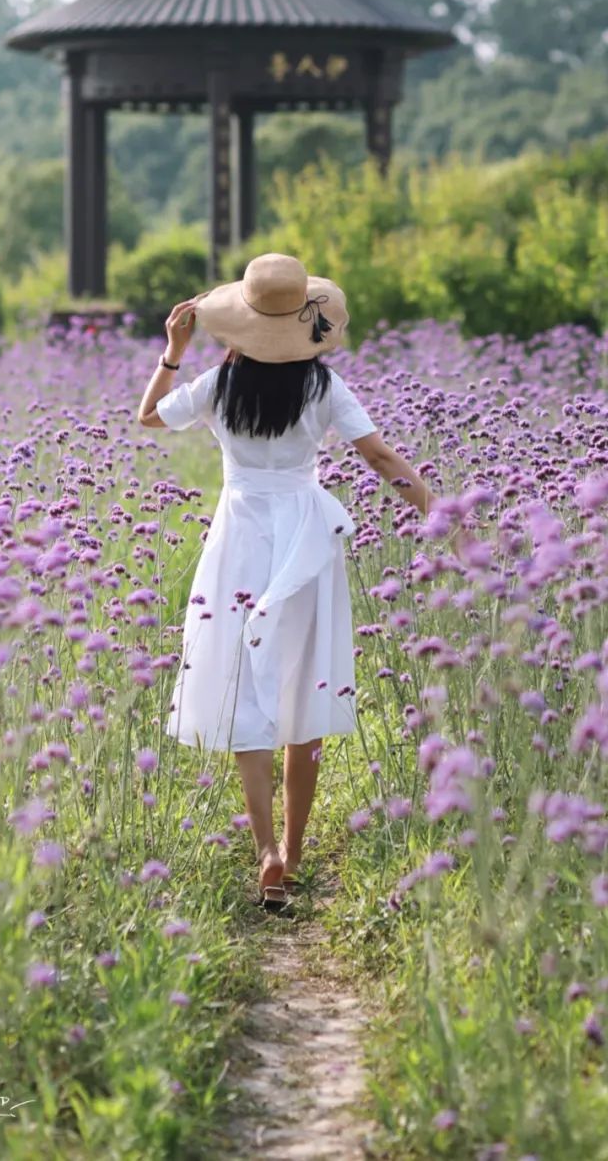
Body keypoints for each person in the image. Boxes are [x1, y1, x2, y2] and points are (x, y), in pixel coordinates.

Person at [137, 252, 437, 912]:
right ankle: (294, 856)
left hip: (239, 536)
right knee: (306, 686)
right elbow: (381, 456)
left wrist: (172, 350)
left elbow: (151, 417)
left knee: (247, 687)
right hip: (304, 535)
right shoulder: (324, 388)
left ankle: (266, 850)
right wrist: (441, 514)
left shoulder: (219, 385)